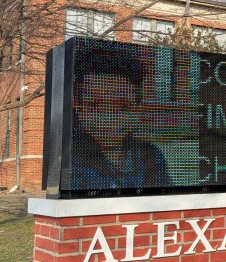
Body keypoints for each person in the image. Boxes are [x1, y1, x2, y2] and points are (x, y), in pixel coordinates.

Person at [70, 42, 171, 190]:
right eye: (94, 105)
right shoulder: (71, 159)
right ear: (77, 107)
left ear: (138, 109)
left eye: (124, 106)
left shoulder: (151, 155)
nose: (109, 118)